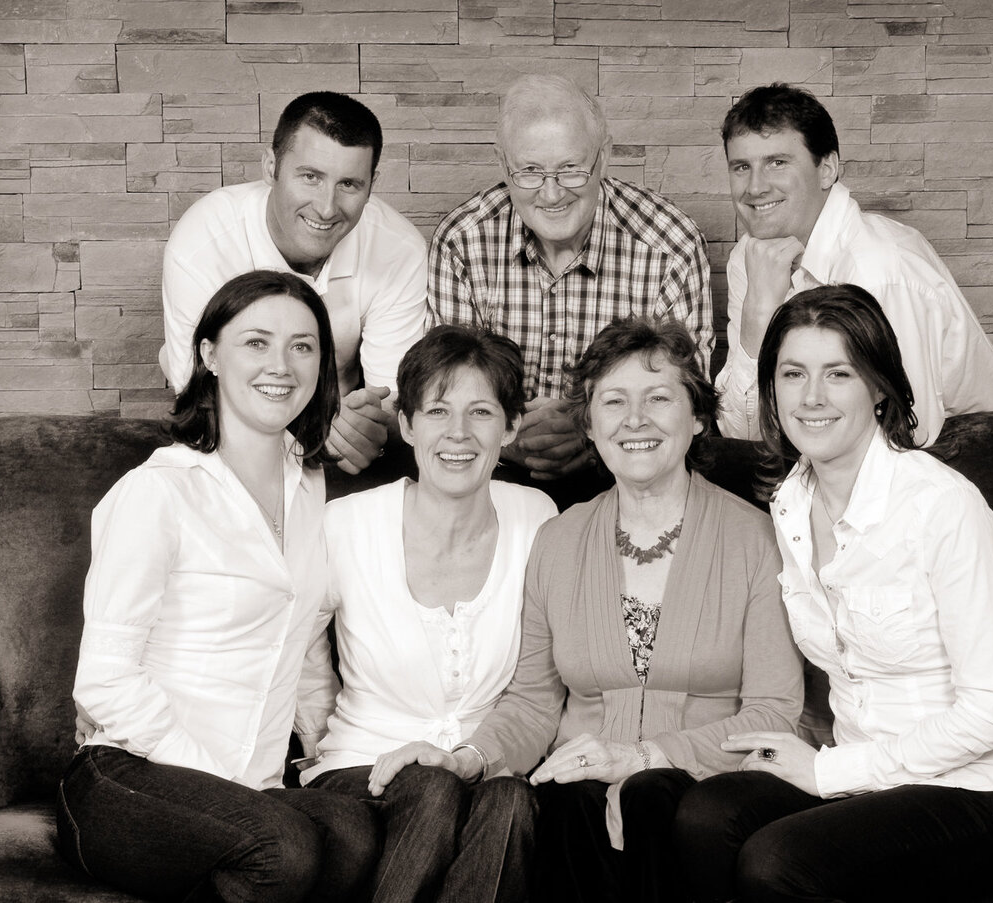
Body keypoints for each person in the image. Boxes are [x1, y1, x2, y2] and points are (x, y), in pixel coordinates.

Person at [367, 318, 804, 903]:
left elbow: (774, 711)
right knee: (565, 798)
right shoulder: (560, 540)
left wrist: (645, 757)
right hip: (580, 793)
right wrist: (469, 759)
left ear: (698, 417)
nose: (635, 419)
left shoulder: (755, 539)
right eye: (614, 401)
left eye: (659, 398)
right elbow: (533, 701)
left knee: (648, 796)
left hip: (702, 787)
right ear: (592, 426)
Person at [676, 284, 993, 902]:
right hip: (861, 777)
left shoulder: (942, 508)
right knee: (705, 814)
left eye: (838, 373)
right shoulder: (790, 503)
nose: (812, 397)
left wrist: (827, 770)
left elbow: (989, 713)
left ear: (878, 387)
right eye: (792, 374)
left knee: (778, 860)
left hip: (981, 791)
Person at [56, 270, 378, 902]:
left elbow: (305, 644)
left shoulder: (307, 486)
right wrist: (224, 784)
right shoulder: (160, 491)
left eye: (303, 346)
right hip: (128, 774)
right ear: (208, 354)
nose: (281, 364)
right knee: (283, 846)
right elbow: (104, 679)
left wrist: (321, 760)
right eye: (256, 342)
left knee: (355, 832)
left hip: (250, 789)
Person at [299, 325, 558, 902]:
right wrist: (313, 737)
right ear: (409, 426)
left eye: (482, 412)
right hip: (360, 769)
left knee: (512, 799)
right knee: (433, 787)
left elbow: (550, 671)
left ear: (511, 426)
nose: (458, 434)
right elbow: (291, 649)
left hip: (485, 766)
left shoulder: (537, 518)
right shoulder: (346, 524)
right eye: (437, 411)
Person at [429, 74, 715, 484]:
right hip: (491, 469)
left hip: (627, 470)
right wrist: (512, 439)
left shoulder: (672, 247)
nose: (551, 194)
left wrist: (589, 433)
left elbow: (689, 404)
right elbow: (444, 395)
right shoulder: (461, 241)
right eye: (529, 171)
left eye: (571, 170)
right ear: (501, 163)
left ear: (605, 156)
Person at [714, 82, 993, 447]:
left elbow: (907, 440)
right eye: (741, 167)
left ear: (827, 169)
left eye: (777, 162)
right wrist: (758, 315)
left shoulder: (878, 272)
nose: (755, 187)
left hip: (976, 463)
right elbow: (744, 434)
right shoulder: (752, 257)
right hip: (845, 467)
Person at [161, 90, 428, 474]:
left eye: (349, 184)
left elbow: (392, 398)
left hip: (340, 419)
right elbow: (201, 398)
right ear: (271, 167)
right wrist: (312, 429)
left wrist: (365, 426)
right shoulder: (202, 244)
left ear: (372, 183)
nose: (326, 207)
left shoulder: (399, 249)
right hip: (234, 414)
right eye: (310, 177)